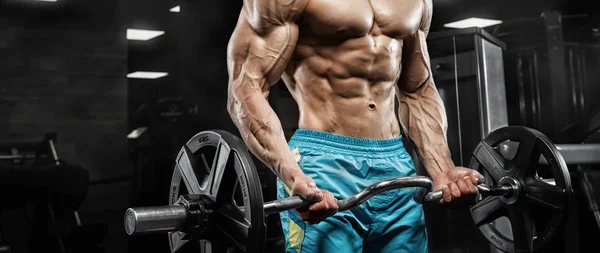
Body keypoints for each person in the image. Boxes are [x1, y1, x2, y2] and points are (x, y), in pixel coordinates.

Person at [226, 0, 484, 252]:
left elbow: (417, 90)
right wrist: (293, 175)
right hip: (324, 166)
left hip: (396, 166)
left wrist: (442, 169)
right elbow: (246, 86)